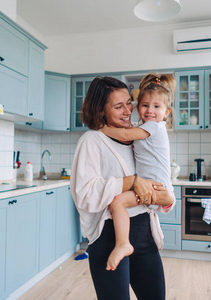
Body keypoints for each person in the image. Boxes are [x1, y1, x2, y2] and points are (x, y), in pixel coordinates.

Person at [70, 76, 174, 300]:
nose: (128, 111)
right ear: (100, 110)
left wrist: (166, 197)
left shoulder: (140, 137)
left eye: (129, 102)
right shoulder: (92, 141)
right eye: (118, 106)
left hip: (144, 232)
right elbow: (84, 194)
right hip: (109, 236)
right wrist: (131, 181)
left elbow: (160, 190)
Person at [100, 73, 176, 271]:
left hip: (154, 187)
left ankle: (123, 244)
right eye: (145, 105)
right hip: (153, 186)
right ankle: (124, 243)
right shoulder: (146, 128)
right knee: (118, 203)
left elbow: (125, 134)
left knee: (117, 203)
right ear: (138, 106)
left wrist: (102, 128)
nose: (150, 111)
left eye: (156, 107)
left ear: (166, 112)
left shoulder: (154, 127)